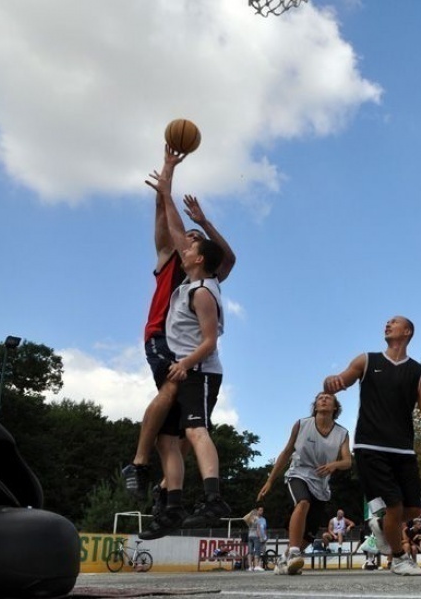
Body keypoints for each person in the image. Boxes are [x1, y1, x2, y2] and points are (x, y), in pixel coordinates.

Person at [123, 145, 235, 506]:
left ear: (200, 255)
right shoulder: (169, 257)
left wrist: (204, 222)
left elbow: (228, 257)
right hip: (160, 338)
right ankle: (139, 465)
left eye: (195, 240)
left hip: (193, 354)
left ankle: (167, 492)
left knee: (182, 433)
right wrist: (168, 168)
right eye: (186, 237)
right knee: (171, 394)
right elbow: (165, 211)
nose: (188, 239)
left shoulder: (203, 283)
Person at [323, 316, 421, 576]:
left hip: (403, 449)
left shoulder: (417, 370)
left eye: (394, 322)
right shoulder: (367, 360)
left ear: (407, 331)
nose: (387, 325)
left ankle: (380, 523)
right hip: (371, 446)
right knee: (395, 506)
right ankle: (399, 559)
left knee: (413, 511)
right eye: (387, 322)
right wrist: (331, 383)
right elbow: (341, 380)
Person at [258, 393, 353, 575]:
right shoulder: (301, 424)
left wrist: (335, 464)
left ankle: (284, 559)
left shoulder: (342, 433)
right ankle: (294, 553)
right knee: (303, 502)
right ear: (316, 406)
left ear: (335, 408)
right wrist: (270, 480)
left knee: (309, 534)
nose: (324, 399)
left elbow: (348, 461)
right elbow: (286, 452)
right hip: (299, 473)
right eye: (320, 398)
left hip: (321, 482)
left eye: (328, 398)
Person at [243, 507, 267, 572]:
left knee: (250, 552)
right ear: (256, 513)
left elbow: (244, 518)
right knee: (257, 551)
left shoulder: (249, 520)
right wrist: (261, 537)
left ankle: (250, 567)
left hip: (249, 536)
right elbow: (258, 530)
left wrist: (250, 513)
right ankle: (256, 566)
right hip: (256, 536)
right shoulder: (257, 519)